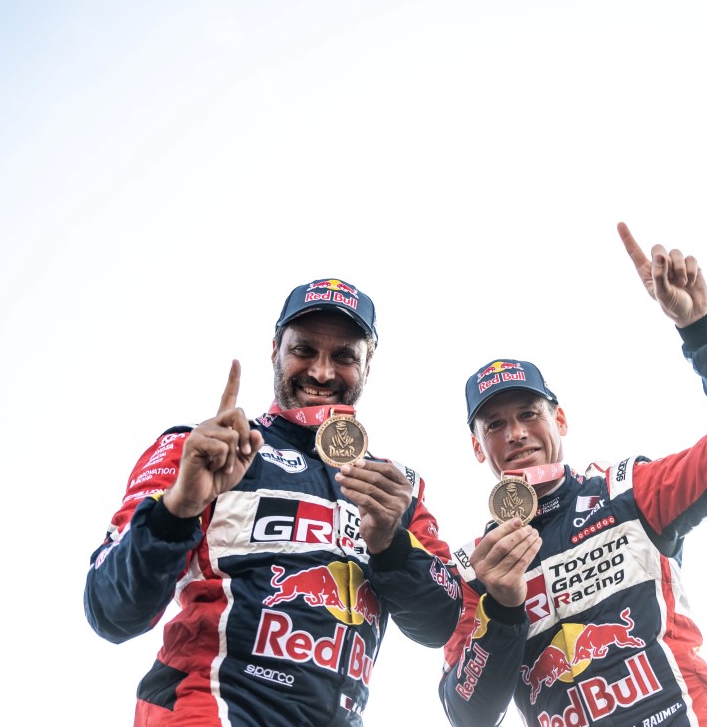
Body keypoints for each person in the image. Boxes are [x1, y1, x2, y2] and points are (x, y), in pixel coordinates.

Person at [439, 223, 707, 727]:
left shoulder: (627, 493)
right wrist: (504, 611)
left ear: (560, 420)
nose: (515, 433)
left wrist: (702, 331)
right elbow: (466, 714)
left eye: (529, 414)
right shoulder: (475, 571)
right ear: (477, 447)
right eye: (494, 425)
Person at [85, 279, 462, 726]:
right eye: (304, 350)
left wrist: (390, 544)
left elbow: (439, 622)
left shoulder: (395, 488)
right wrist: (177, 509)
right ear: (274, 351)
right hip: (207, 711)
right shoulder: (205, 451)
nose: (322, 373)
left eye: (344, 357)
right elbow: (111, 611)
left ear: (367, 365)